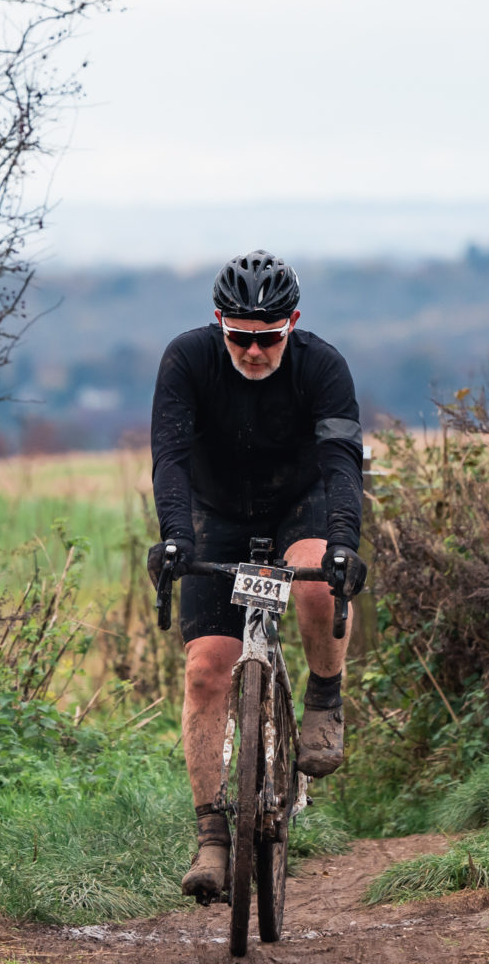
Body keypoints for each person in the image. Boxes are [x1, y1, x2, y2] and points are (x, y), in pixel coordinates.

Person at [147, 252, 368, 900]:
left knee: (315, 578)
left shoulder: (321, 366)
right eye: (238, 335)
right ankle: (213, 835)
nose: (251, 349)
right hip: (217, 516)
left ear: (291, 324)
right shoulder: (187, 361)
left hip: (301, 503)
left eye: (267, 337)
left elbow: (340, 461)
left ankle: (324, 697)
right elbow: (171, 458)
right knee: (205, 669)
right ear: (219, 323)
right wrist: (176, 538)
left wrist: (344, 545)